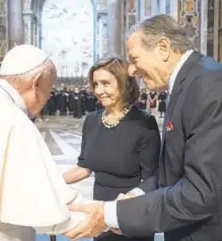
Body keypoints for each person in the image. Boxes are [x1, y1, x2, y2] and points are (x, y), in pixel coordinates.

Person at [64, 14, 222, 241]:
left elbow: (202, 191)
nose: (131, 71)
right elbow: (171, 170)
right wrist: (134, 195)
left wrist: (112, 214)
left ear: (163, 48)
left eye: (135, 58)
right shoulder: (185, 85)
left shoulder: (209, 85)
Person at [0, 45, 86, 241]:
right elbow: (46, 210)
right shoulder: (15, 121)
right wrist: (105, 217)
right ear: (36, 83)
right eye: (49, 87)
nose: (50, 95)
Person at [63, 57, 160, 241]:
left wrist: (124, 205)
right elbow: (83, 168)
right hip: (99, 213)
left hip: (131, 215)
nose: (99, 91)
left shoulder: (144, 123)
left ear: (124, 84)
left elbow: (153, 178)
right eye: (95, 84)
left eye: (105, 83)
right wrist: (52, 183)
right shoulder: (91, 120)